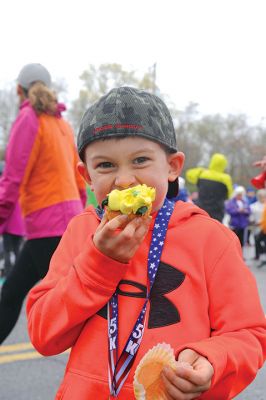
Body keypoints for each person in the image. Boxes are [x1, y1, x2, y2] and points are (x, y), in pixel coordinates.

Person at [27, 87, 266, 400]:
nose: (125, 180)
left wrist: (212, 359)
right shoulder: (81, 231)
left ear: (172, 166)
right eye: (105, 165)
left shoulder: (212, 240)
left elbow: (249, 334)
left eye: (140, 160)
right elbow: (44, 335)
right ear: (86, 175)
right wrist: (98, 262)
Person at [0, 63, 86, 344]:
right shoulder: (62, 124)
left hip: (46, 227)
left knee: (11, 295)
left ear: (18, 90)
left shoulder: (29, 120)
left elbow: (12, 177)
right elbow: (79, 178)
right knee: (75, 299)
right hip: (68, 223)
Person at [186, 153, 233, 222]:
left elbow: (189, 175)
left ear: (212, 162)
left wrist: (201, 170)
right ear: (224, 165)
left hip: (201, 208)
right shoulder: (226, 178)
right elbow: (229, 195)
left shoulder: (202, 173)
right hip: (217, 212)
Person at [249, 189, 266, 260]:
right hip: (256, 226)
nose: (262, 198)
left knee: (262, 240)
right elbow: (251, 215)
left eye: (264, 196)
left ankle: (263, 253)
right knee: (256, 240)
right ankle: (257, 255)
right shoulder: (254, 206)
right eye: (261, 196)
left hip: (264, 226)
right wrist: (252, 221)